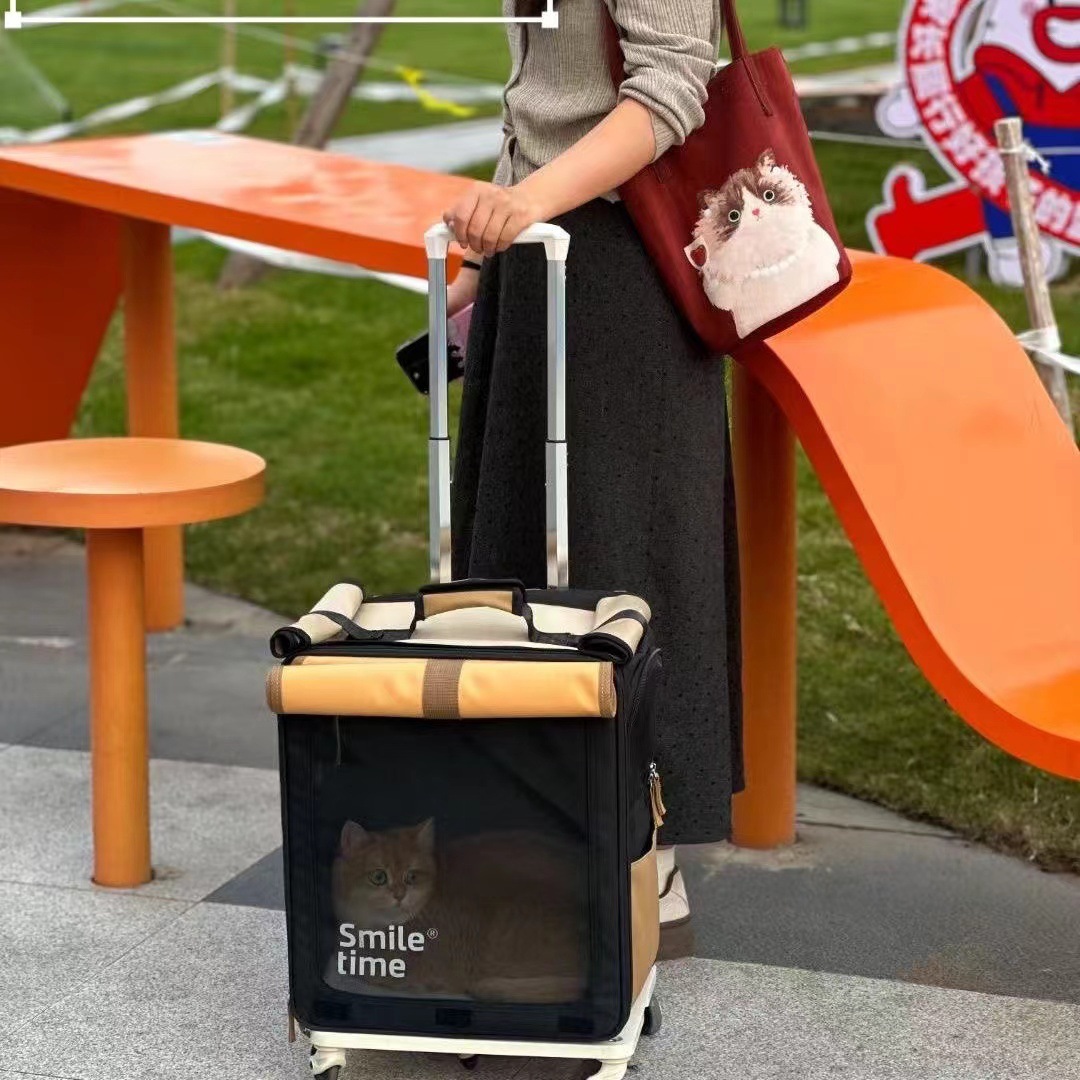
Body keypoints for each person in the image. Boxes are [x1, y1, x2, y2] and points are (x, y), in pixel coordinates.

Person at [442, 0, 742, 960]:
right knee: (523, 562)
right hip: (542, 255)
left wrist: (526, 203)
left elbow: (672, 85)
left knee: (623, 559)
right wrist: (492, 245)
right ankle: (554, 835)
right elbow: (542, 98)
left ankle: (648, 863)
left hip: (624, 262)